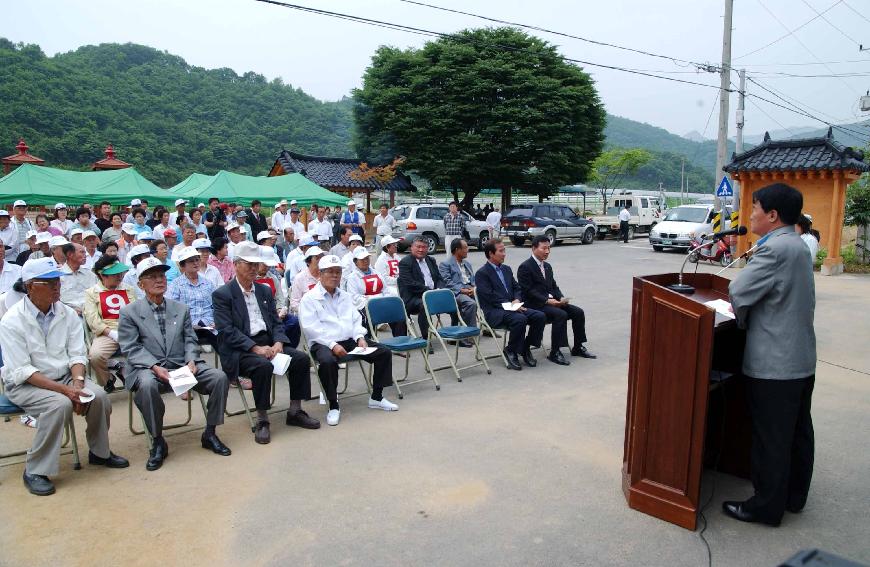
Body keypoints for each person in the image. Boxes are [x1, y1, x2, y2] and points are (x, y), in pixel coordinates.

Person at [723, 183, 816, 528]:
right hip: (801, 358)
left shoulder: (774, 249)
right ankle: (793, 497)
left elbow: (739, 292)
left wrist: (742, 322)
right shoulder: (797, 244)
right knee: (796, 432)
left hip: (775, 363)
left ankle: (764, 508)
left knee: (772, 439)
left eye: (755, 208)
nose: (750, 215)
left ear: (772, 215)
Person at [1, 257, 128, 495]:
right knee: (58, 405)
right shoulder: (11, 320)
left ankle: (99, 453)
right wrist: (67, 392)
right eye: (48, 283)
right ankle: (35, 469)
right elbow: (23, 370)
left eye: (57, 281)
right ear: (30, 286)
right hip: (26, 384)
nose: (56, 287)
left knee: (99, 396)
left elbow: (77, 354)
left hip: (65, 377)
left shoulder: (67, 313)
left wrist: (78, 384)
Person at [117, 257, 231, 471]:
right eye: (152, 277)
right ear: (140, 284)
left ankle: (210, 432)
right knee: (148, 385)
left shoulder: (180, 308)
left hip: (181, 364)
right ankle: (157, 439)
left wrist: (190, 359)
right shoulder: (129, 312)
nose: (159, 280)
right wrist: (153, 366)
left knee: (219, 377)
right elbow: (131, 347)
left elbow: (190, 339)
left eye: (161, 276)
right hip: (148, 368)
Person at [212, 241, 318, 444]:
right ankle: (262, 419)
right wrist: (255, 348)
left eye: (256, 264)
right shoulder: (223, 294)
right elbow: (227, 331)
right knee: (261, 367)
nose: (254, 268)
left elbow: (275, 321)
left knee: (300, 359)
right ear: (236, 264)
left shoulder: (263, 291)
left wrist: (279, 342)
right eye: (248, 264)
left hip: (268, 342)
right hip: (241, 348)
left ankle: (295, 410)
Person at [299, 254, 398, 426]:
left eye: (338, 272)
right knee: (327, 361)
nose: (335, 276)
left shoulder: (344, 296)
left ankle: (377, 397)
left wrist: (360, 337)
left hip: (348, 339)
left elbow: (355, 319)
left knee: (383, 352)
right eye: (330, 272)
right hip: (323, 342)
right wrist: (332, 344)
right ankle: (333, 405)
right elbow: (311, 328)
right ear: (320, 274)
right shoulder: (309, 298)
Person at [517, 235, 596, 365]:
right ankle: (555, 351)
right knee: (561, 314)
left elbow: (553, 286)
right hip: (535, 304)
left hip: (551, 302)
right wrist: (547, 301)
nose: (547, 251)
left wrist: (561, 298)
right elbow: (528, 291)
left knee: (578, 312)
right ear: (534, 248)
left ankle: (578, 346)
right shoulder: (525, 267)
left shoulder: (547, 266)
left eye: (549, 248)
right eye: (544, 248)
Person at [475, 240, 546, 371]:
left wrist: (517, 300)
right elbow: (490, 297)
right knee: (520, 319)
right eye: (501, 251)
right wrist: (510, 305)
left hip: (513, 308)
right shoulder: (482, 273)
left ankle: (525, 348)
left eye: (504, 250)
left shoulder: (506, 269)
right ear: (491, 254)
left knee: (540, 316)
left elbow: (517, 287)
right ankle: (511, 350)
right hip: (494, 312)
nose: (504, 254)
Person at [84, 254, 137, 388]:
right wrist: (112, 333)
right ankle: (107, 378)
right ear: (103, 275)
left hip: (130, 331)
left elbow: (136, 311)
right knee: (95, 356)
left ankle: (138, 378)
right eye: (115, 274)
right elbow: (93, 319)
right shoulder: (91, 293)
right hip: (106, 333)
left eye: (120, 273)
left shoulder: (128, 289)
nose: (120, 276)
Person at [398, 236, 453, 343]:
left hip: (433, 295)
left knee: (455, 301)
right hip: (413, 299)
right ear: (412, 247)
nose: (421, 250)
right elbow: (410, 284)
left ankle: (453, 337)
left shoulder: (430, 260)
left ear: (428, 249)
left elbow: (439, 278)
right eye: (418, 247)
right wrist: (430, 292)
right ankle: (426, 339)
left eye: (424, 247)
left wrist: (440, 289)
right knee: (425, 305)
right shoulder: (405, 262)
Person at [167, 246, 218, 348]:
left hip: (209, 324)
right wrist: (185, 324)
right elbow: (171, 310)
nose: (195, 263)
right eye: (191, 261)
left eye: (197, 260)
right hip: (187, 326)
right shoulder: (176, 284)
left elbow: (217, 305)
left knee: (226, 341)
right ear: (183, 265)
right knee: (187, 345)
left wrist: (216, 322)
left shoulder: (208, 283)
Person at [437, 238, 478, 346]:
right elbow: (447, 282)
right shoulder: (445, 264)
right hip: (456, 292)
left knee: (488, 297)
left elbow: (472, 280)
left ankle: (487, 328)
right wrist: (461, 290)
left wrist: (473, 288)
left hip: (469, 289)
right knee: (470, 304)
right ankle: (466, 335)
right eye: (465, 248)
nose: (467, 250)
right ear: (457, 250)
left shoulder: (467, 264)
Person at [59, 243, 97, 315]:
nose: (85, 255)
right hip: (67, 315)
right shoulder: (58, 277)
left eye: (85, 252)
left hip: (92, 313)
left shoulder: (90, 275)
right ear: (70, 254)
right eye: (82, 252)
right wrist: (70, 310)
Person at [290, 246, 324, 314]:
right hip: (307, 315)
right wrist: (309, 310)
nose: (320, 261)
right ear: (308, 262)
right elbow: (294, 303)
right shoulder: (300, 278)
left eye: (322, 257)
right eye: (317, 258)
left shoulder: (326, 276)